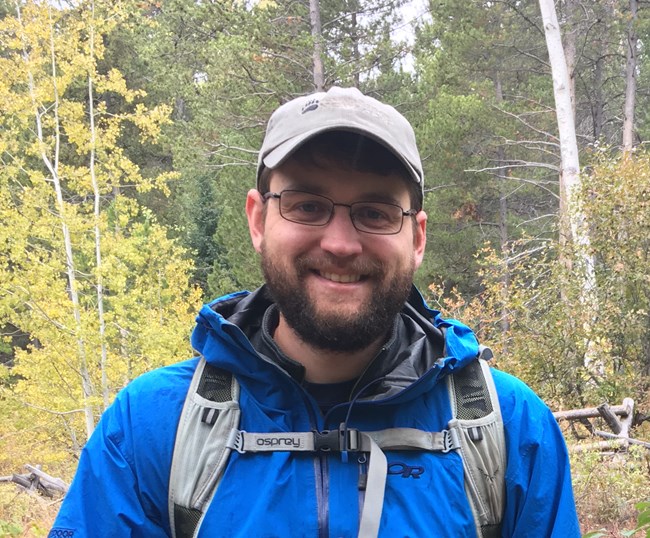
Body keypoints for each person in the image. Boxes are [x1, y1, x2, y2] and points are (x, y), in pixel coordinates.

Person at [50, 86, 580, 537]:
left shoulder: (508, 430)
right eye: (307, 205)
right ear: (258, 221)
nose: (342, 244)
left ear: (417, 238)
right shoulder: (148, 429)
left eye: (375, 212)